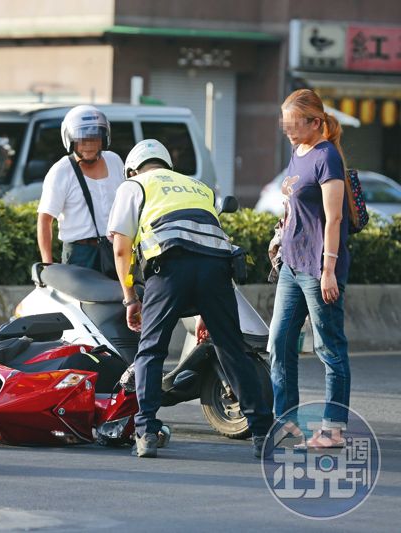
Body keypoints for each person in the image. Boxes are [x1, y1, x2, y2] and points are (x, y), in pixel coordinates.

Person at [108, 139, 273, 459]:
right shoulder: (199, 188)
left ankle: (146, 431)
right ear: (166, 164)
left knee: (152, 350)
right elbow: (204, 240)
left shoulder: (134, 186)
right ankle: (263, 432)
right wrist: (202, 313)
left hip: (168, 267)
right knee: (231, 349)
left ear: (132, 169)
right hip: (216, 270)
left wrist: (130, 298)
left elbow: (120, 247)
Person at [269, 89, 352, 449]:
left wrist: (329, 269)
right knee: (280, 342)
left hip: (319, 267)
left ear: (315, 122)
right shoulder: (298, 151)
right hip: (291, 263)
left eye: (294, 123)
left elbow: (334, 218)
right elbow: (294, 206)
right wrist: (278, 234)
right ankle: (286, 420)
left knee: (329, 348)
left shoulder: (326, 157)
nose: (287, 129)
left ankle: (333, 430)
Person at [37, 105, 124, 276]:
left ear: (104, 139)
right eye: (82, 140)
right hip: (79, 254)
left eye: (94, 139)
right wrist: (47, 267)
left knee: (120, 301)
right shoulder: (61, 171)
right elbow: (45, 220)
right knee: (77, 303)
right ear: (70, 141)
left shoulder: (115, 161)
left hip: (115, 249)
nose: (89, 146)